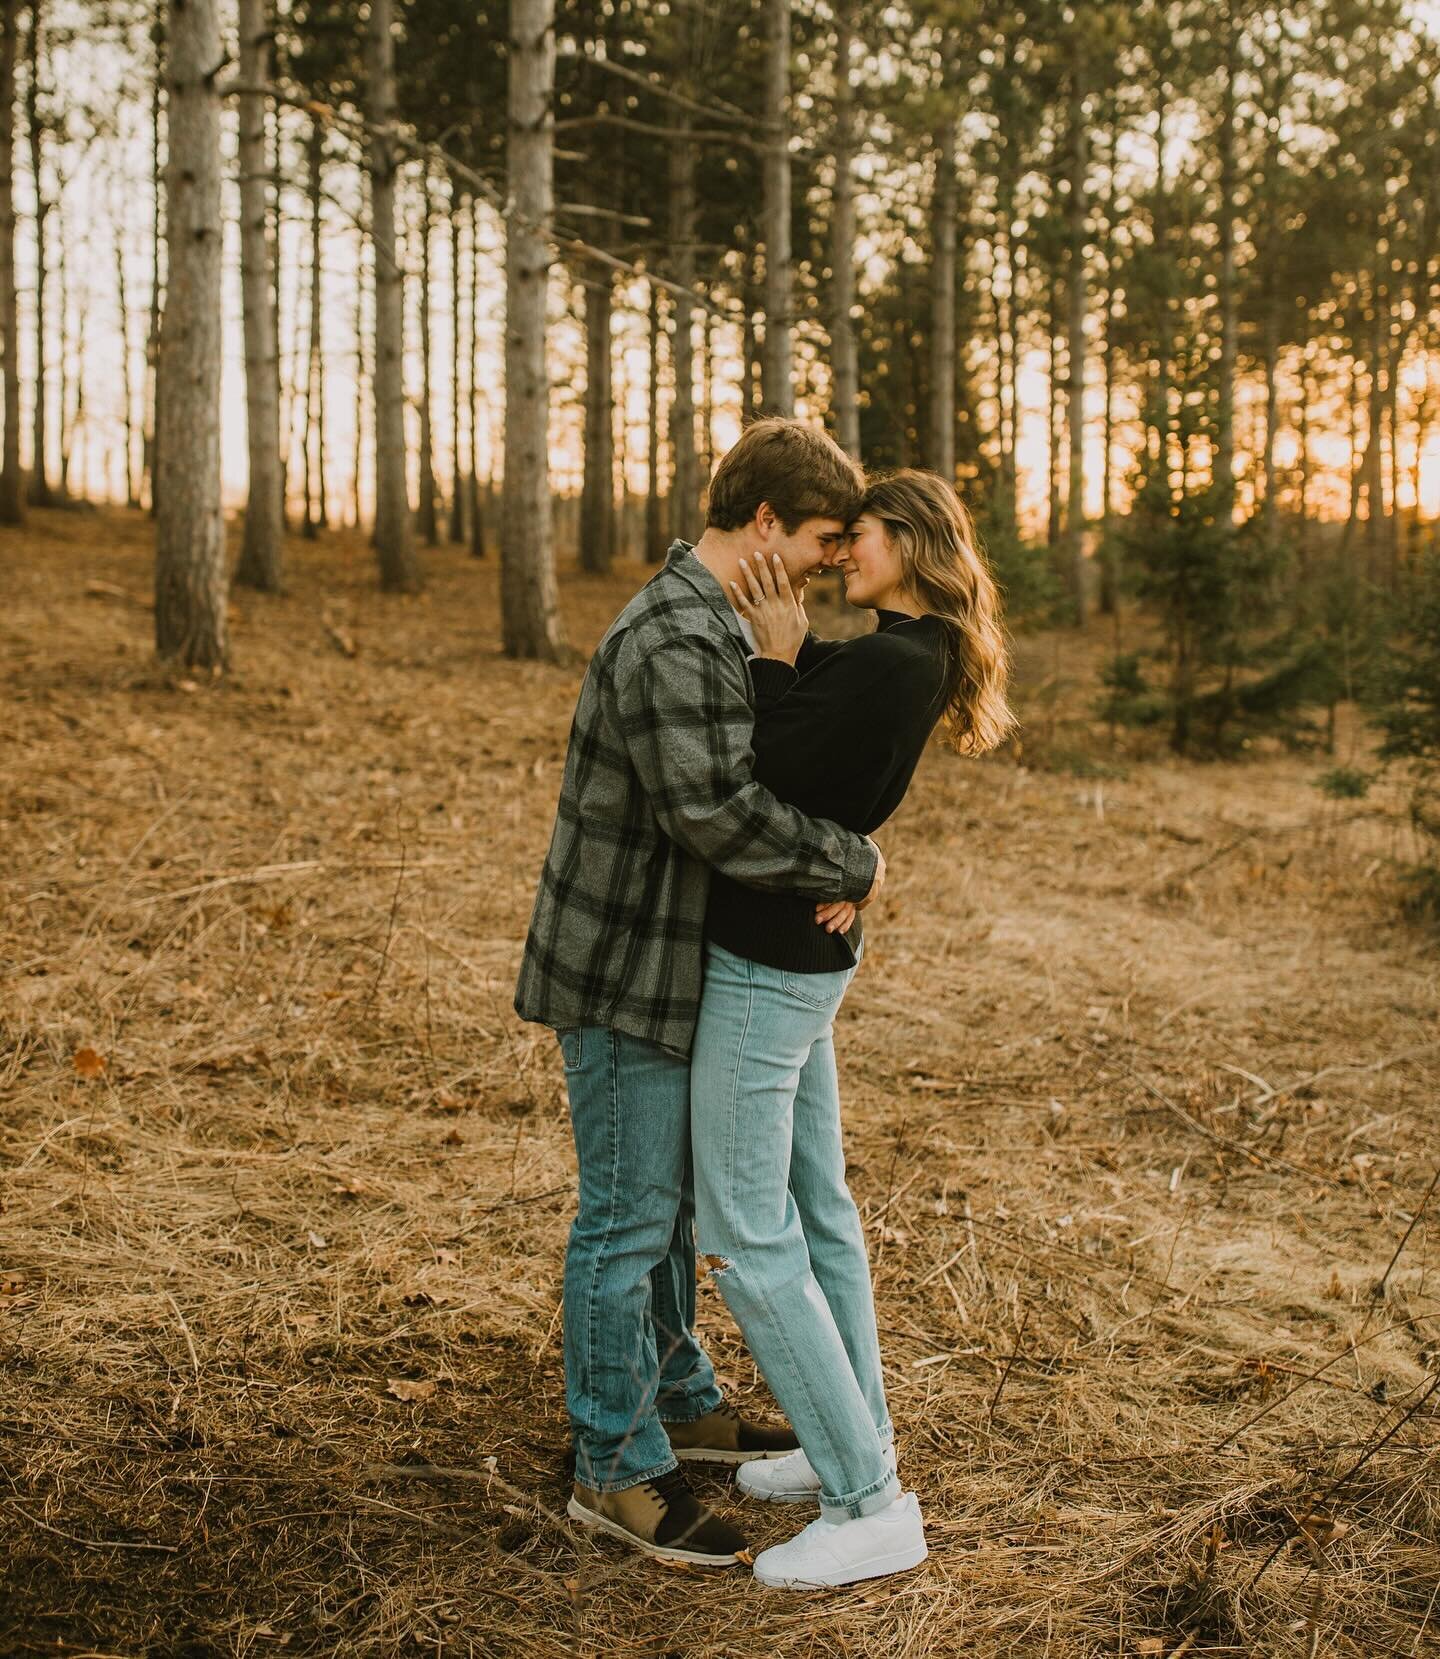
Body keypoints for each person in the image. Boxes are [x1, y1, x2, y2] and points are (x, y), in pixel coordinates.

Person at [514, 419, 888, 1567]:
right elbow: (715, 812)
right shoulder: (675, 633)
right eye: (824, 536)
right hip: (626, 969)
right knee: (626, 1220)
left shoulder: (725, 619)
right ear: (765, 522)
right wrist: (848, 860)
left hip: (676, 965)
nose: (832, 558)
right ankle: (614, 1467)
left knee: (667, 1209)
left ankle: (678, 1396)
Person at [689, 469, 1015, 1589]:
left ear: (912, 540)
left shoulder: (891, 660)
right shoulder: (897, 654)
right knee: (820, 1210)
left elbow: (765, 770)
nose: (843, 553)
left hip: (772, 962)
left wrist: (774, 657)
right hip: (806, 955)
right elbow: (828, 760)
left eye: (860, 535)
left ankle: (871, 1503)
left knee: (742, 1226)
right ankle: (852, 1447)